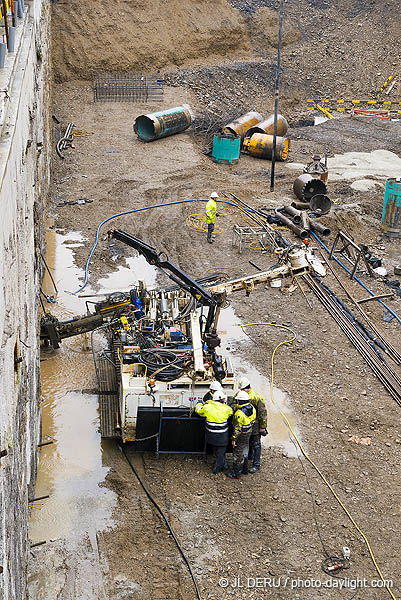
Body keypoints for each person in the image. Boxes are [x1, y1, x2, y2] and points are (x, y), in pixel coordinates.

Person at [195, 390, 233, 474]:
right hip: (222, 436)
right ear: (222, 400)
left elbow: (198, 410)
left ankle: (223, 463)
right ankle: (219, 467)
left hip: (210, 436)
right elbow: (231, 412)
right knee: (221, 451)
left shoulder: (207, 408)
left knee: (216, 449)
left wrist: (199, 403)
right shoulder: (226, 409)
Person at [237, 376, 268, 473]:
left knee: (256, 444)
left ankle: (256, 464)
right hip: (246, 426)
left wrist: (262, 427)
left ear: (245, 388)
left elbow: (262, 413)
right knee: (248, 442)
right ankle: (249, 457)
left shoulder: (256, 397)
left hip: (255, 426)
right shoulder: (240, 395)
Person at [227, 390, 256, 479]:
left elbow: (237, 429)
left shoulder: (239, 414)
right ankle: (245, 469)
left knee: (237, 454)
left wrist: (234, 439)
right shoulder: (252, 408)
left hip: (241, 435)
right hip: (249, 432)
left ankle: (236, 473)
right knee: (245, 451)